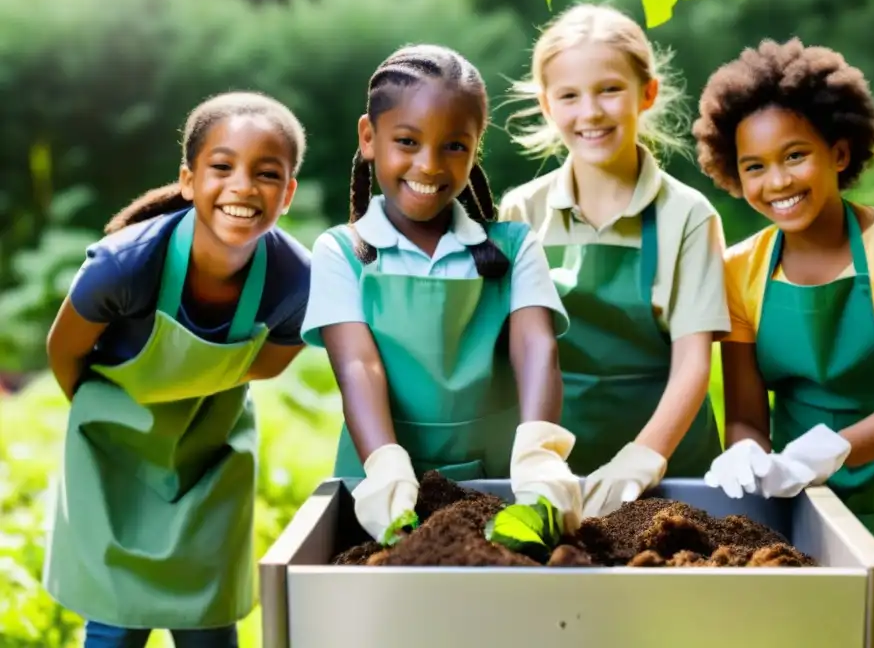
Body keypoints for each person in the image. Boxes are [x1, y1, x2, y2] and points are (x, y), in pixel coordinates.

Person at [695, 38, 874, 646]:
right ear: (734, 174)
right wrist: (749, 452)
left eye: (795, 156)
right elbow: (749, 417)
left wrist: (820, 452)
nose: (777, 181)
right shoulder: (739, 271)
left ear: (838, 151)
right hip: (807, 500)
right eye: (754, 166)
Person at [43, 91, 312, 648]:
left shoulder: (294, 280)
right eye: (222, 167)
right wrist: (108, 414)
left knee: (208, 623)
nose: (242, 186)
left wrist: (195, 393)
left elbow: (269, 364)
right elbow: (63, 351)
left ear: (287, 194)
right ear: (189, 180)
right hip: (112, 455)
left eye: (265, 174)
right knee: (116, 625)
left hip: (208, 459)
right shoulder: (124, 266)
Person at [300, 44, 583, 544]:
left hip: (497, 485)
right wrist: (386, 466)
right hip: (378, 482)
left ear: (476, 148)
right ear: (369, 137)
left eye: (454, 146)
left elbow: (536, 346)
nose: (429, 165)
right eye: (407, 141)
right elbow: (357, 366)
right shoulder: (343, 252)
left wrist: (540, 452)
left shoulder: (513, 247)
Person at [498, 3, 731, 520]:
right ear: (546, 104)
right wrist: (535, 463)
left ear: (646, 93)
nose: (591, 112)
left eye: (609, 89)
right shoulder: (521, 211)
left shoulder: (688, 216)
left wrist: (642, 458)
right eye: (569, 96)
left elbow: (694, 362)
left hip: (672, 473)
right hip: (555, 471)